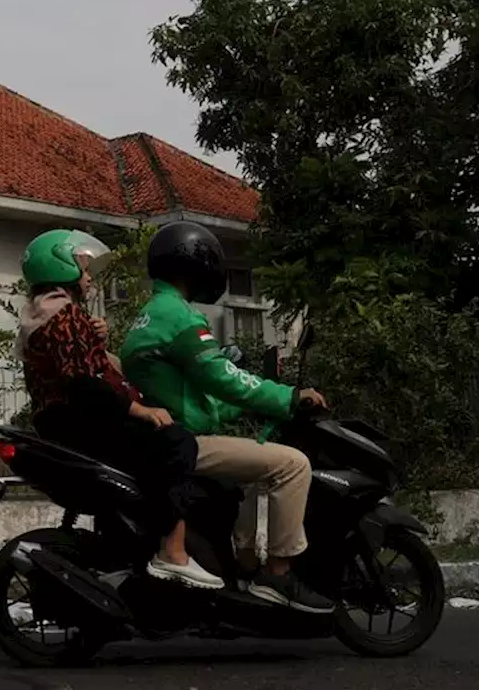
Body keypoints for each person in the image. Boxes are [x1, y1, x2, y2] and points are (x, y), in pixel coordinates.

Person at [119, 220, 334, 614]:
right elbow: (222, 378)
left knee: (257, 469)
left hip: (172, 435)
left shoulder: (150, 313)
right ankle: (278, 574)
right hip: (185, 441)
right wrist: (289, 397)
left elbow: (203, 396)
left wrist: (259, 400)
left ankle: (245, 562)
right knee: (292, 464)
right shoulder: (179, 317)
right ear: (192, 264)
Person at [17, 228, 223, 590]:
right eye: (83, 268)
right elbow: (84, 383)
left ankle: (129, 552)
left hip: (63, 421)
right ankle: (173, 552)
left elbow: (78, 367)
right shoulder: (64, 316)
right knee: (176, 443)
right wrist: (140, 411)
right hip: (80, 421)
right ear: (61, 267)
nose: (90, 276)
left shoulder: (44, 312)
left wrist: (94, 338)